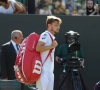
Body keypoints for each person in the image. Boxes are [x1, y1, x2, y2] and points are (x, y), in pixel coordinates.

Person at [36, 15, 62, 90]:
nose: (58, 27)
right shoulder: (45, 35)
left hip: (50, 72)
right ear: (49, 25)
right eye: (56, 25)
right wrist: (52, 46)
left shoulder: (51, 37)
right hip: (43, 72)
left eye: (59, 25)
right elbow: (38, 48)